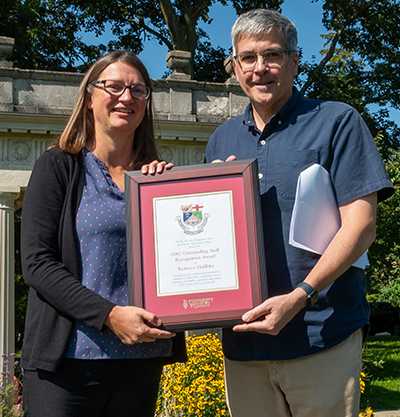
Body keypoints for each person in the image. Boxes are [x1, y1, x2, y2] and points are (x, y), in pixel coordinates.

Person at [205, 9, 394, 417]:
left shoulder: (337, 122)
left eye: (272, 55)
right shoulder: (222, 140)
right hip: (243, 344)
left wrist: (300, 296)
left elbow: (361, 226)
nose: (260, 68)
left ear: (294, 61)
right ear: (235, 67)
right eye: (248, 58)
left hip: (320, 333)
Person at [20, 50, 186, 417]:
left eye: (138, 90)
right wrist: (109, 315)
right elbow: (37, 264)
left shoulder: (156, 181)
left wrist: (176, 192)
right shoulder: (58, 166)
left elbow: (185, 253)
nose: (127, 97)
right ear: (89, 98)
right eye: (114, 86)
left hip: (141, 360)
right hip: (68, 362)